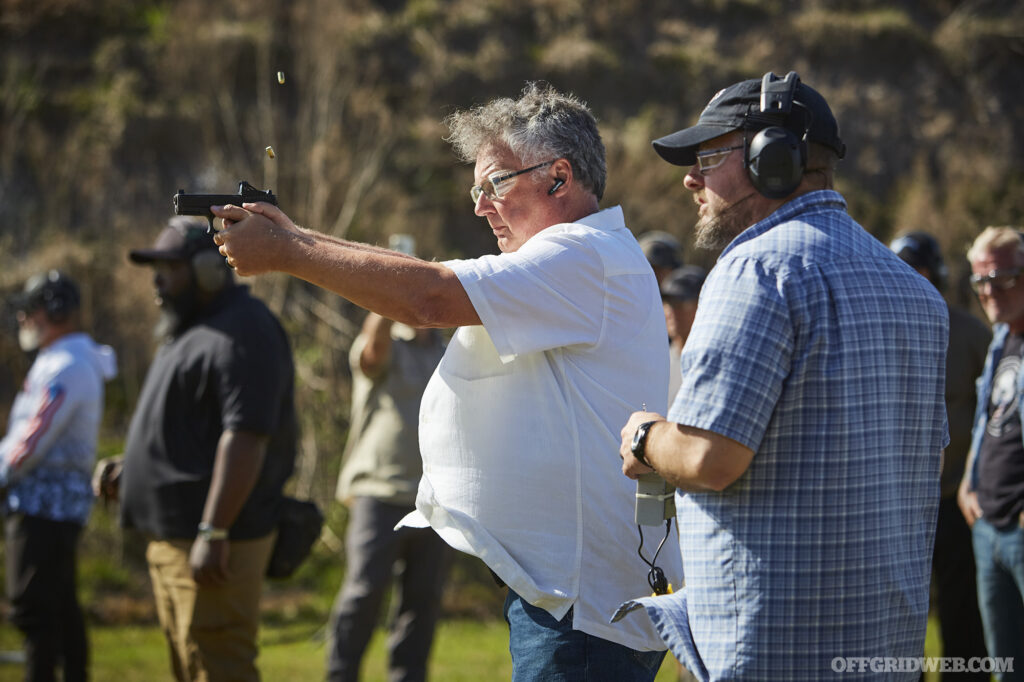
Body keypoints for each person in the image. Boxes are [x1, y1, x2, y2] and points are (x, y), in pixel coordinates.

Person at [211, 83, 680, 681]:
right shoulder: (592, 254)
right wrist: (291, 237)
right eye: (476, 188)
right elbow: (427, 286)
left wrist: (287, 250)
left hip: (580, 608)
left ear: (559, 178)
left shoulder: (582, 252)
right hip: (576, 599)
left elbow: (428, 296)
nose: (481, 205)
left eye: (496, 184)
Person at [615, 72, 949, 680]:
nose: (691, 179)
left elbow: (711, 457)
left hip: (773, 648)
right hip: (887, 645)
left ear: (773, 160)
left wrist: (645, 436)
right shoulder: (916, 293)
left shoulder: (754, 269)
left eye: (709, 157)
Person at [92, 217, 297, 682]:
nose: (158, 280)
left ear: (209, 270)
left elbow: (245, 435)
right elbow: (194, 430)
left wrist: (214, 531)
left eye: (171, 268)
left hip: (214, 546)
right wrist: (137, 467)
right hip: (179, 541)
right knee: (190, 662)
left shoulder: (243, 330)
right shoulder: (192, 330)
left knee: (217, 664)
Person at [327, 248, 450, 682]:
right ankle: (340, 674)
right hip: (377, 493)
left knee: (422, 603)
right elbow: (370, 353)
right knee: (363, 594)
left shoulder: (447, 353)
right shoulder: (384, 344)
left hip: (434, 500)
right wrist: (391, 283)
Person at [1, 270, 117, 682]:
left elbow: (27, 445)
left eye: (30, 311)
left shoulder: (66, 366)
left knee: (37, 615)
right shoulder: (63, 361)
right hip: (51, 510)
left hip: (42, 511)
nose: (23, 321)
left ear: (53, 310)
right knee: (59, 611)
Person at [890, 230, 991, 678]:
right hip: (894, 504)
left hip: (954, 502)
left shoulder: (971, 335)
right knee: (891, 617)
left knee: (961, 615)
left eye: (920, 271)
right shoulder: (875, 332)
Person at [959, 225, 1024, 675]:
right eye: (980, 280)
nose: (989, 291)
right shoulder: (999, 340)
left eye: (1001, 277)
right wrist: (968, 484)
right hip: (987, 526)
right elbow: (988, 421)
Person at [660, 265, 706, 404]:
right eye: (669, 303)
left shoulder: (709, 364)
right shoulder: (659, 361)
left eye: (683, 303)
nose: (673, 311)